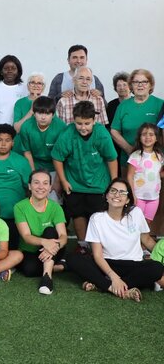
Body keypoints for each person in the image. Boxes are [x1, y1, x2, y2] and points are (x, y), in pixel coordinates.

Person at [67, 178, 164, 302]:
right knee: (73, 259)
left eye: (122, 192)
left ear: (127, 200)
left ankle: (102, 285)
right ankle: (117, 288)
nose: (117, 195)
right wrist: (113, 276)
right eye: (113, 191)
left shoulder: (136, 213)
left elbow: (146, 239)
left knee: (156, 268)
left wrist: (161, 252)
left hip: (133, 265)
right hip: (107, 265)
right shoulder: (97, 219)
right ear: (106, 196)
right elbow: (98, 255)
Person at [52, 101, 118, 254]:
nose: (83, 127)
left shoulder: (102, 134)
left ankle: (99, 248)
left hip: (98, 184)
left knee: (98, 216)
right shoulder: (68, 134)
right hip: (75, 183)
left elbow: (111, 158)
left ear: (94, 120)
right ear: (73, 120)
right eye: (79, 123)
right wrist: (63, 181)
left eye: (87, 123)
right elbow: (57, 157)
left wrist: (114, 183)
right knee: (78, 214)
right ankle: (82, 245)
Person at [14, 170, 68, 295]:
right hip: (31, 251)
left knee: (50, 231)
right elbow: (26, 236)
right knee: (29, 270)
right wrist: (45, 243)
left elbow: (63, 236)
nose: (41, 187)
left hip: (54, 249)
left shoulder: (56, 207)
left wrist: (54, 245)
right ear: (29, 186)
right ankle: (61, 266)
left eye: (45, 183)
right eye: (36, 182)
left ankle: (47, 278)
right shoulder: (19, 207)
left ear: (50, 187)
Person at [111, 69, 163, 172]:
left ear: (151, 85)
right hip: (129, 161)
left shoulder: (160, 104)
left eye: (144, 82)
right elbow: (114, 131)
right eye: (136, 82)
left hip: (156, 161)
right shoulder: (123, 106)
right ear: (131, 85)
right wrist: (129, 149)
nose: (140, 85)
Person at [16, 96, 66, 199]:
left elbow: (62, 157)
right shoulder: (26, 126)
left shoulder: (61, 127)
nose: (43, 117)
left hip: (55, 166)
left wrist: (57, 181)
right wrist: (33, 174)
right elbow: (27, 152)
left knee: (53, 199)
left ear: (53, 115)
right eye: (39, 113)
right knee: (34, 197)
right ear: (34, 113)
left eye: (47, 114)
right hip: (34, 165)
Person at [0, 55, 26, 152]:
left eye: (13, 68)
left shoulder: (25, 90)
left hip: (19, 138)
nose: (9, 71)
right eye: (6, 68)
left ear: (18, 71)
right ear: (1, 71)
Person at [126, 123, 163, 232]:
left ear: (156, 138)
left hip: (154, 197)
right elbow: (130, 176)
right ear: (139, 137)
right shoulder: (135, 155)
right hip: (138, 197)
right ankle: (134, 243)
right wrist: (133, 195)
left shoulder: (159, 156)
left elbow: (159, 174)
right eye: (144, 134)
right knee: (136, 223)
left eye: (151, 134)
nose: (147, 137)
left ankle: (144, 243)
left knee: (147, 223)